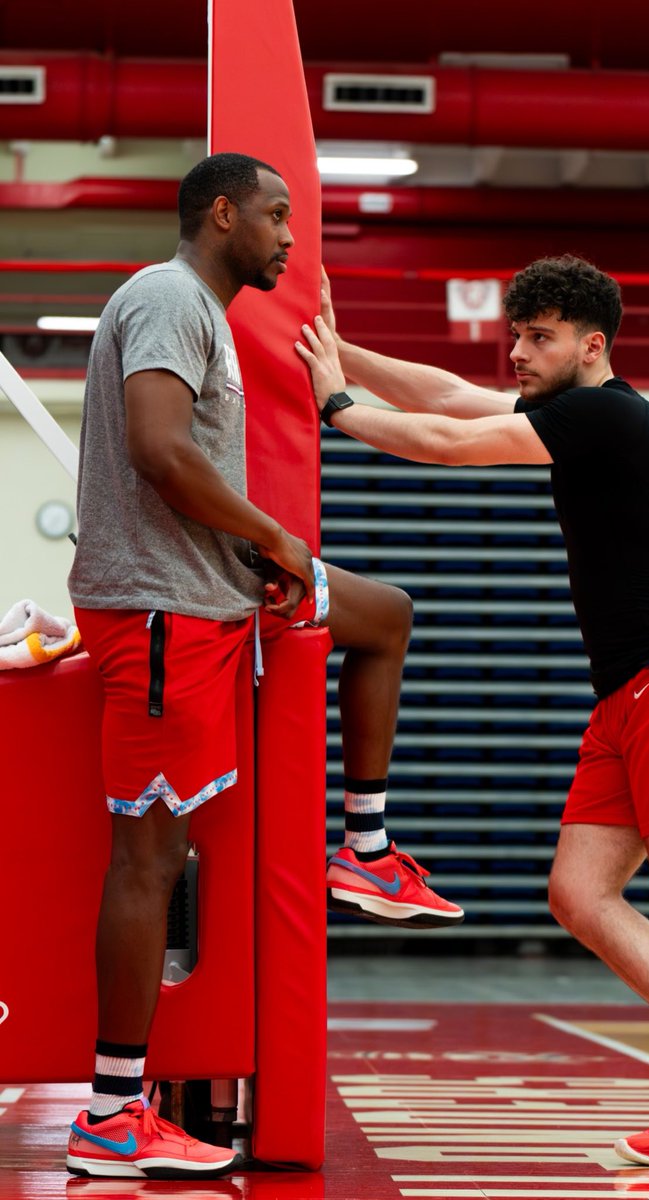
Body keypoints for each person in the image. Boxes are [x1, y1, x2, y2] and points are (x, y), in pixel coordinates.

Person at [294, 254, 649, 1170]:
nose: (516, 351)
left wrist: (335, 404)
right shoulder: (573, 410)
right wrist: (341, 351)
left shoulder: (607, 415)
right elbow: (448, 390)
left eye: (538, 337)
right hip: (626, 695)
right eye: (515, 333)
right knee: (576, 893)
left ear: (592, 347)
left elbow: (446, 441)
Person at [65, 153, 462, 1182]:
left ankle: (365, 846)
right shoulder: (168, 297)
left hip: (206, 598)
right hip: (158, 618)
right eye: (280, 216)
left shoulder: (204, 315)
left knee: (385, 614)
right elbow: (159, 451)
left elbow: (182, 472)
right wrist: (276, 541)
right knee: (146, 861)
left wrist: (256, 556)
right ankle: (112, 1113)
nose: (292, 237)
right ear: (223, 213)